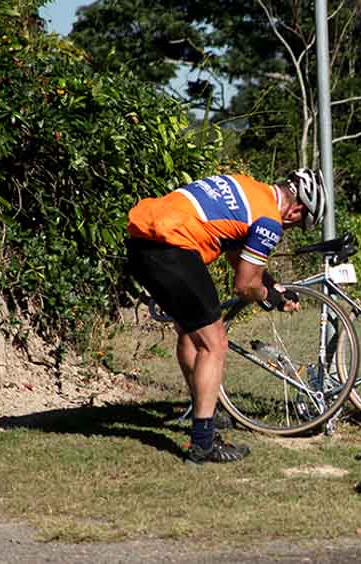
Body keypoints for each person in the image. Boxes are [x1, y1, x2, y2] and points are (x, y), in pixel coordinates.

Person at [125, 168, 327, 464]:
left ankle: (202, 413)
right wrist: (268, 297)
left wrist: (271, 285)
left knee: (190, 333)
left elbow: (237, 254)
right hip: (174, 249)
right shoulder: (270, 220)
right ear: (297, 211)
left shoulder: (246, 185)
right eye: (300, 224)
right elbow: (245, 285)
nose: (292, 228)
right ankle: (203, 443)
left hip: (142, 243)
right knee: (214, 343)